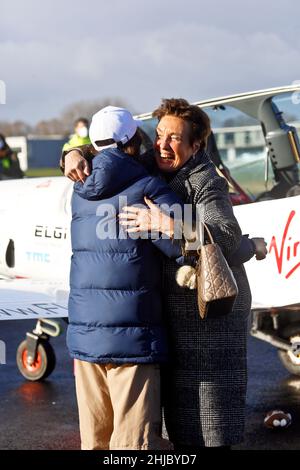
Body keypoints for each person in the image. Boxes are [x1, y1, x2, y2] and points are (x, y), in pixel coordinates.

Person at [61, 99, 267, 449]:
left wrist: (172, 224)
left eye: (174, 138)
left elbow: (228, 238)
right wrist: (71, 155)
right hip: (165, 321)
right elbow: (108, 153)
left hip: (204, 322)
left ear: (195, 145)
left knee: (205, 430)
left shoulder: (206, 181)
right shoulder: (148, 165)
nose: (163, 144)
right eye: (159, 135)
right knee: (169, 428)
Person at [68, 105, 188, 451]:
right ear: (134, 139)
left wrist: (73, 153)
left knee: (95, 441)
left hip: (86, 337)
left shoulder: (78, 189)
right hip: (133, 336)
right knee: (134, 445)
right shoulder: (147, 185)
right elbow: (185, 245)